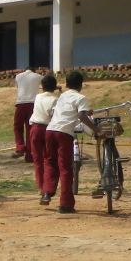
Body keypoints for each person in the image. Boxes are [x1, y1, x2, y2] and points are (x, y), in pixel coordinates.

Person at [44, 70, 96, 213]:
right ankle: (66, 204)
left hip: (50, 130)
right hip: (64, 134)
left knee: (50, 162)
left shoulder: (62, 96)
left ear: (66, 84)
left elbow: (66, 111)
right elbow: (81, 115)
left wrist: (85, 111)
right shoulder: (81, 98)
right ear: (81, 84)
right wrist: (96, 130)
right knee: (65, 168)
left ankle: (47, 192)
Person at [28, 74, 59, 205]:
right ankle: (48, 189)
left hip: (34, 128)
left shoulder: (38, 96)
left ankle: (41, 187)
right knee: (49, 160)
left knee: (38, 160)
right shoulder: (56, 99)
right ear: (55, 86)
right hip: (48, 128)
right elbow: (54, 115)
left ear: (42, 87)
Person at [14, 67, 42, 161]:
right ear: (33, 70)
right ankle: (30, 154)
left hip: (20, 104)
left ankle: (20, 147)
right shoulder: (38, 76)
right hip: (33, 104)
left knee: (18, 127)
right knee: (30, 129)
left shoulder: (18, 76)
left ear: (24, 70)